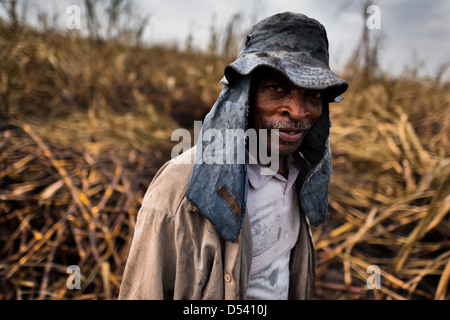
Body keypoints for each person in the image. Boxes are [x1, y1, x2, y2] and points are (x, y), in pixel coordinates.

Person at [118, 12, 348, 300]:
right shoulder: (179, 191)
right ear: (244, 95)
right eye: (276, 88)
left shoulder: (299, 173)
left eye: (312, 94)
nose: (299, 111)